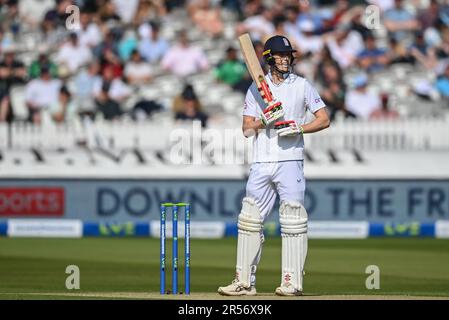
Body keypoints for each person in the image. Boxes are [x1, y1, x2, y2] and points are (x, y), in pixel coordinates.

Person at [218, 35, 330, 296]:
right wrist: (263, 121)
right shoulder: (256, 89)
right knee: (249, 220)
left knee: (292, 219)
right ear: (269, 59)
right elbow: (246, 130)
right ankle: (244, 282)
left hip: (290, 161)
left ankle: (292, 282)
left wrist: (298, 127)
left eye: (288, 55)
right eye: (280, 55)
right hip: (261, 161)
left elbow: (324, 120)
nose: (285, 59)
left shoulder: (302, 86)